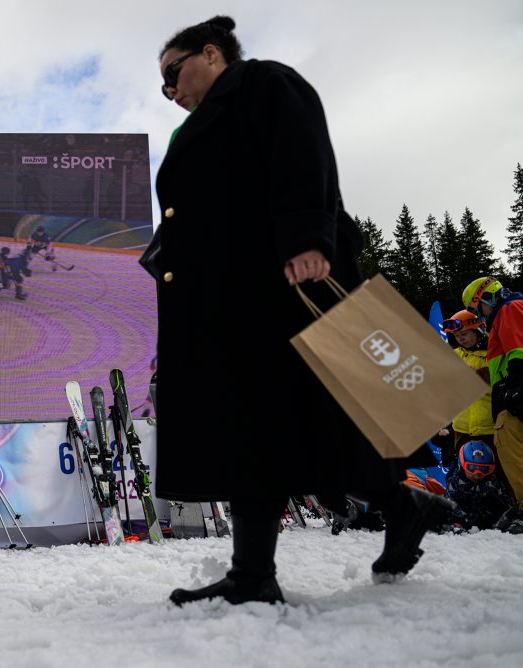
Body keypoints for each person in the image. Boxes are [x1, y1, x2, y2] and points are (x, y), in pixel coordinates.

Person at [143, 16, 451, 606]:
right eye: (163, 87)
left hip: (284, 282)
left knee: (318, 416)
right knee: (254, 425)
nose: (171, 92)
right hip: (233, 300)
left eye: (173, 74)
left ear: (211, 53)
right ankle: (254, 573)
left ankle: (400, 506)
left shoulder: (263, 84)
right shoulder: (202, 125)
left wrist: (309, 238)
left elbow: (304, 153)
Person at [462, 276, 523, 533]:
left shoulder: (508, 310)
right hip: (510, 390)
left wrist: (516, 388)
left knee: (511, 449)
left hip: (513, 392)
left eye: (478, 309)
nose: (481, 315)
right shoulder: (512, 309)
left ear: (485, 297)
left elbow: (518, 352)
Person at [443, 309, 495, 460]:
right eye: (456, 336)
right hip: (461, 429)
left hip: (490, 428)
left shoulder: (493, 353)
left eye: (464, 334)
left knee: (496, 475)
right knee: (465, 475)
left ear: (479, 330)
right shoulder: (454, 356)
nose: (461, 339)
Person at [443, 441, 515, 531]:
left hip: (490, 525)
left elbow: (508, 506)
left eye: (484, 469)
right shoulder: (455, 482)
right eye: (472, 468)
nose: (478, 474)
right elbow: (448, 504)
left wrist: (504, 521)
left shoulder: (493, 483)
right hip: (463, 522)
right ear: (461, 464)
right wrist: (457, 523)